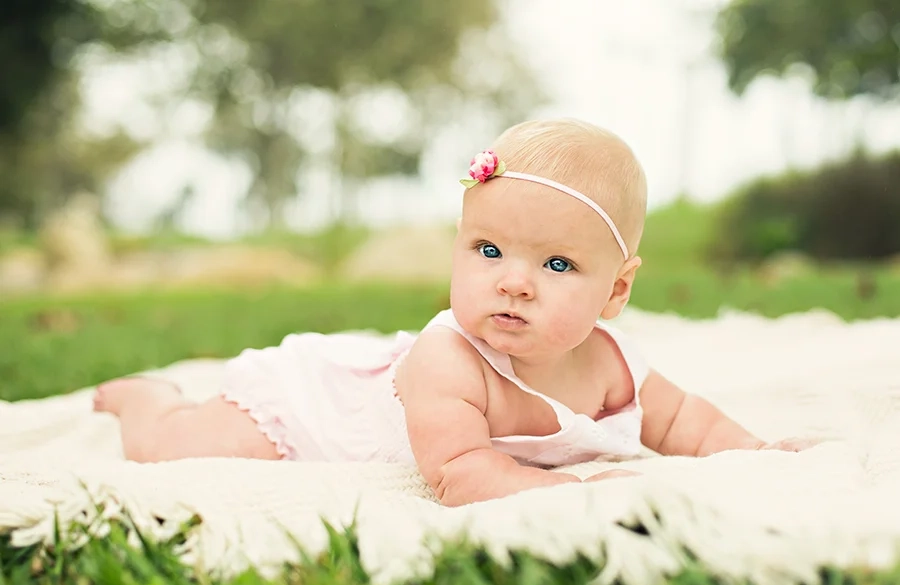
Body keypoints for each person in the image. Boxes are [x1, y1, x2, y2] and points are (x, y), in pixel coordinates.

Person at [93, 118, 818, 506]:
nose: (514, 283)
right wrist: (568, 490)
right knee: (180, 447)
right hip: (320, 412)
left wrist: (755, 453)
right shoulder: (450, 358)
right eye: (489, 249)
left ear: (617, 292)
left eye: (557, 264)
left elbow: (689, 422)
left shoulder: (614, 365)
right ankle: (146, 400)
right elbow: (459, 473)